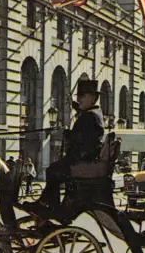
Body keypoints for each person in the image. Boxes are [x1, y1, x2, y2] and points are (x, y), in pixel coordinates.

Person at [29, 80, 104, 213]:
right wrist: (73, 104)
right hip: (86, 159)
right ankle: (50, 203)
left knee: (53, 170)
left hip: (81, 160)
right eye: (78, 96)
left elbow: (82, 139)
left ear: (92, 98)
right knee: (54, 169)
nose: (79, 99)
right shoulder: (94, 113)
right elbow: (83, 128)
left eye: (82, 96)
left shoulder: (89, 117)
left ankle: (49, 204)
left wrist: (68, 134)